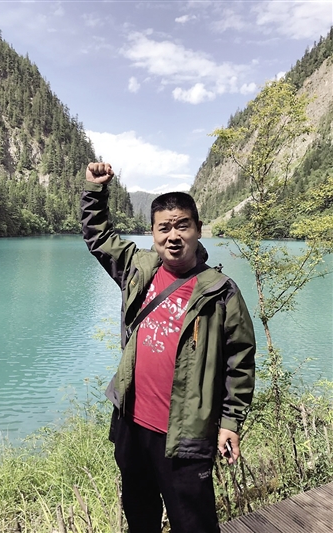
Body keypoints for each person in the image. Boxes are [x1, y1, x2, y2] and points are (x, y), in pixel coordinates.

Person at [81, 161, 256, 533]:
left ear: (198, 229)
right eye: (164, 227)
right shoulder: (138, 269)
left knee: (194, 523)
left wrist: (230, 422)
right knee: (140, 517)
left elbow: (240, 360)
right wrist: (95, 190)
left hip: (185, 435)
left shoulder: (220, 291)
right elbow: (98, 236)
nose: (173, 236)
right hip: (132, 427)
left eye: (182, 226)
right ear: (153, 233)